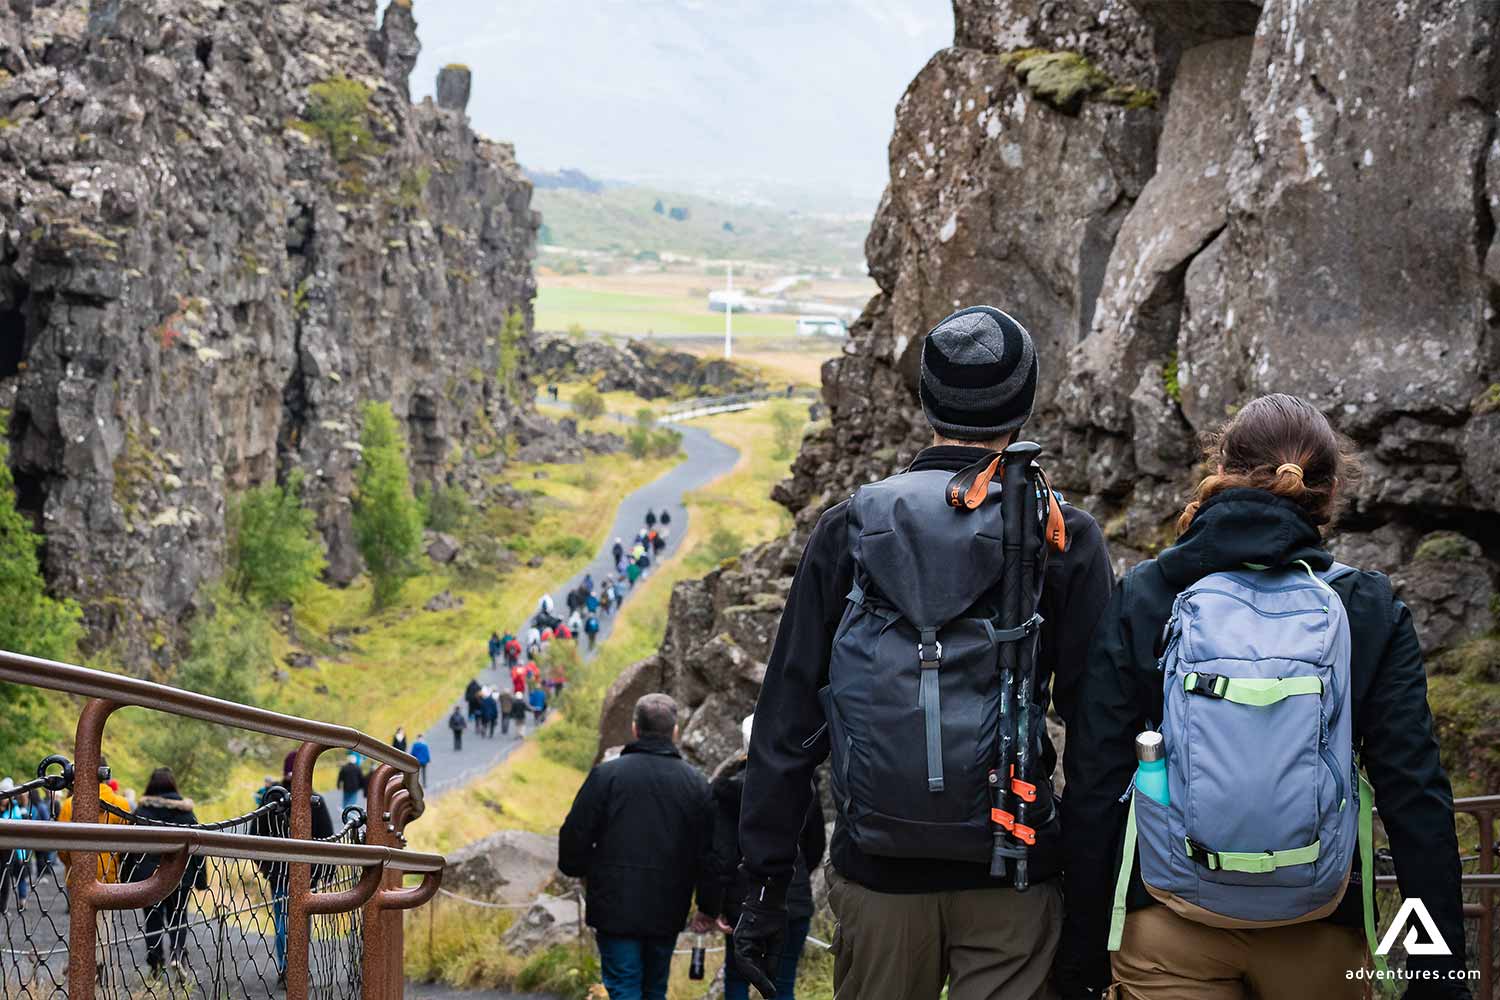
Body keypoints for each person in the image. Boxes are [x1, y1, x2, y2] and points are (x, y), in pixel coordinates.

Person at [734, 306, 1113, 1000]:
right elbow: (1100, 738)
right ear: (1024, 402)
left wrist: (762, 885)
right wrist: (1090, 900)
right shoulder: (1062, 536)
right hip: (1017, 876)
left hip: (878, 875)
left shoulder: (850, 528)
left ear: (927, 399)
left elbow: (787, 724)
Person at [1057, 393, 1471, 1000]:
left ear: (1222, 470)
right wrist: (1438, 979)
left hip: (1169, 926)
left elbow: (1097, 783)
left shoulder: (1149, 595)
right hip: (1321, 931)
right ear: (1327, 495)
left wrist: (1083, 957)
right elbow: (1416, 797)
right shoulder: (1366, 609)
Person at [559, 694, 715, 1000]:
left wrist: (582, 869)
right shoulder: (695, 784)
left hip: (613, 901)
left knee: (623, 986)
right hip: (668, 904)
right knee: (654, 988)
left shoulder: (607, 776)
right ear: (675, 732)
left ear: (635, 729)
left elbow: (575, 833)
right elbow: (709, 852)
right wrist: (708, 905)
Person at [703, 717, 824, 1000]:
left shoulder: (728, 793)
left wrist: (716, 905)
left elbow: (721, 855)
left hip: (743, 900)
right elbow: (816, 846)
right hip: (793, 898)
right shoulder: (805, 789)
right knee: (783, 984)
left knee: (736, 976)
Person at [127, 768, 208, 978]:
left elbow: (128, 847)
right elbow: (198, 848)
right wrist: (201, 880)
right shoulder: (186, 814)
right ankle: (177, 955)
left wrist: (126, 876)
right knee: (179, 916)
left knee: (152, 919)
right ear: (173, 786)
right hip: (181, 875)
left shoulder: (142, 813)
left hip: (148, 875)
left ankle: (155, 962)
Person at [252, 779, 334, 984]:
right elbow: (327, 838)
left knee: (281, 918)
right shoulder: (315, 801)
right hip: (308, 872)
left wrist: (264, 866)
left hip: (278, 872)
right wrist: (327, 873)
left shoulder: (271, 801)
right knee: (303, 917)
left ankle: (285, 966)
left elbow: (254, 836)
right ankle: (298, 966)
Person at [0, 779, 30, 911]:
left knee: (14, 877)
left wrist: (22, 853)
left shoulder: (16, 810)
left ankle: (16, 901)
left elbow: (20, 833)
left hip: (11, 850)